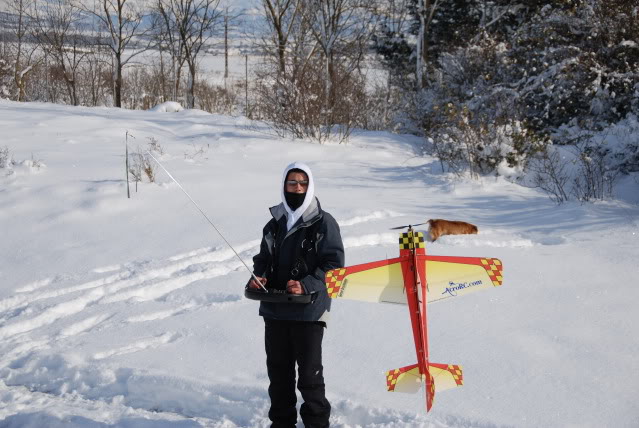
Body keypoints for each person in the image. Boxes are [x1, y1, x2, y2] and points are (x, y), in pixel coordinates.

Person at [248, 162, 345, 428]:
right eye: (292, 183)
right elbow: (263, 258)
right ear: (284, 186)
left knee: (309, 377)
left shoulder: (324, 222)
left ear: (310, 185)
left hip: (309, 311)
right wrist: (260, 276)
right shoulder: (274, 223)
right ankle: (282, 424)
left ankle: (316, 424)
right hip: (275, 309)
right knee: (278, 375)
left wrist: (306, 284)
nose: (297, 188)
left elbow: (334, 266)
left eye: (303, 183)